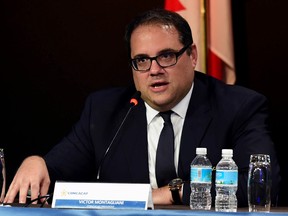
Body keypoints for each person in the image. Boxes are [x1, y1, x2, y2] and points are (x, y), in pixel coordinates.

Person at [4, 8, 281, 207]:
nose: (154, 70)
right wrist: (37, 162)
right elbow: (56, 171)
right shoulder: (104, 110)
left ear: (192, 55)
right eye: (142, 60)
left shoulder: (239, 106)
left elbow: (259, 187)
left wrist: (172, 193)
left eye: (167, 56)